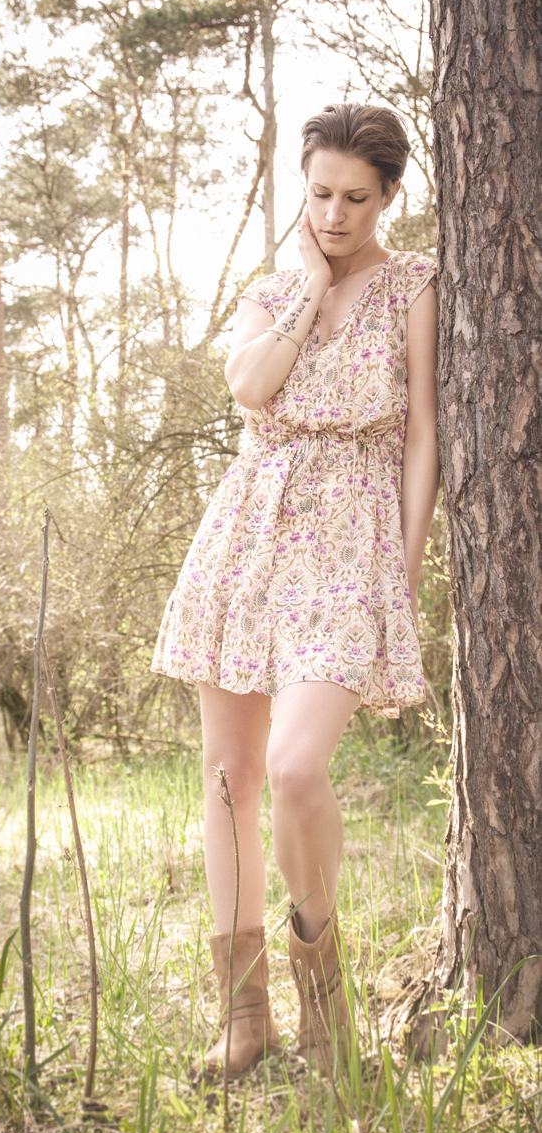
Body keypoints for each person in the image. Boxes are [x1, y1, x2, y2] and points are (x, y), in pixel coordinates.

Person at [151, 103, 439, 1079]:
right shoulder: (272, 291)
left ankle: (327, 1015)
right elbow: (250, 388)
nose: (333, 214)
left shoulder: (413, 286)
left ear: (388, 195)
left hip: (350, 545)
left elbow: (423, 438)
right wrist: (311, 288)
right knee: (228, 774)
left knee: (294, 766)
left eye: (355, 198)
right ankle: (245, 1021)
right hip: (247, 537)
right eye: (319, 195)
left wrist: (400, 572)